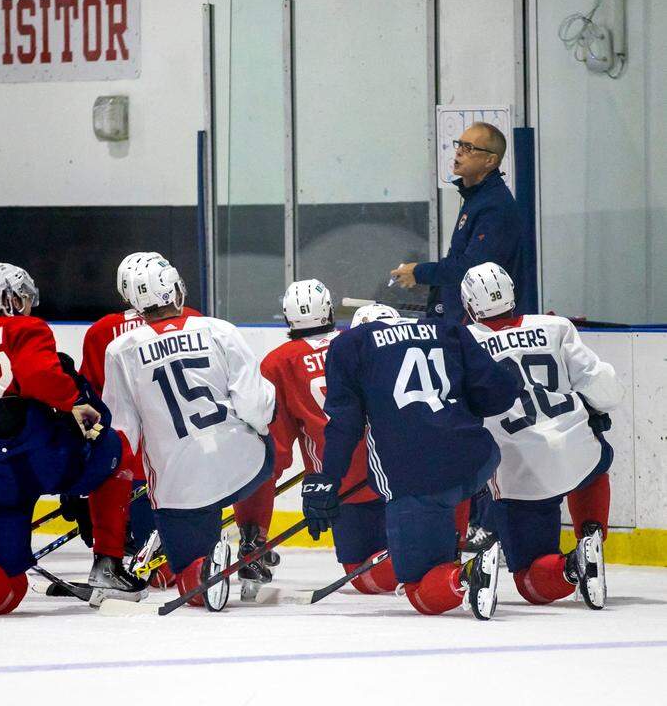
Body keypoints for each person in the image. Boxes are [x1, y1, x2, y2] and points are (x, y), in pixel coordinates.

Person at [0, 261, 143, 620]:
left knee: (5, 595)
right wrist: (78, 403)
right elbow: (41, 376)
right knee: (116, 451)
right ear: (3, 295)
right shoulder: (23, 327)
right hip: (44, 458)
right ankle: (108, 564)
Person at [305, 305, 522, 619]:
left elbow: (345, 425)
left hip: (417, 479)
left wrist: (329, 478)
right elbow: (499, 394)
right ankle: (452, 547)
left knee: (420, 592)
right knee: (449, 489)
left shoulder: (350, 344)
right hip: (476, 459)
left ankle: (466, 575)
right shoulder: (448, 330)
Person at [101, 256, 275, 611]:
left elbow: (124, 430)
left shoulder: (121, 350)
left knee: (190, 585)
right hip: (246, 467)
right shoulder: (219, 329)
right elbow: (256, 406)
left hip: (181, 484)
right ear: (176, 288)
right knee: (263, 433)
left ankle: (204, 565)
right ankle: (252, 538)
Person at [462, 262, 618, 609]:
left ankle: (572, 568)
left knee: (532, 582)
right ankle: (591, 535)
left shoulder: (464, 346)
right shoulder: (555, 326)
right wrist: (597, 410)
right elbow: (605, 387)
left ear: (470, 306)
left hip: (521, 472)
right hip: (578, 448)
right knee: (594, 463)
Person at [234, 280, 396, 596]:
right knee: (403, 554)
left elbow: (276, 453)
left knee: (366, 578)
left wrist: (254, 524)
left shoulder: (278, 362)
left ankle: (253, 540)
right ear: (330, 309)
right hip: (393, 470)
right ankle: (436, 556)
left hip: (342, 483)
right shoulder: (356, 341)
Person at [79, 252, 203, 568]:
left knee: (156, 569)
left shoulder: (101, 331)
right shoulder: (192, 317)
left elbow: (90, 402)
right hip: (184, 458)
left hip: (126, 466)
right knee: (171, 569)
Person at [389, 122, 523, 322]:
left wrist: (419, 272)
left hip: (480, 325)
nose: (459, 152)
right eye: (459, 145)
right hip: (461, 318)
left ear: (490, 160)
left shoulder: (495, 206)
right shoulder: (475, 198)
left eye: (469, 148)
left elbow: (472, 270)